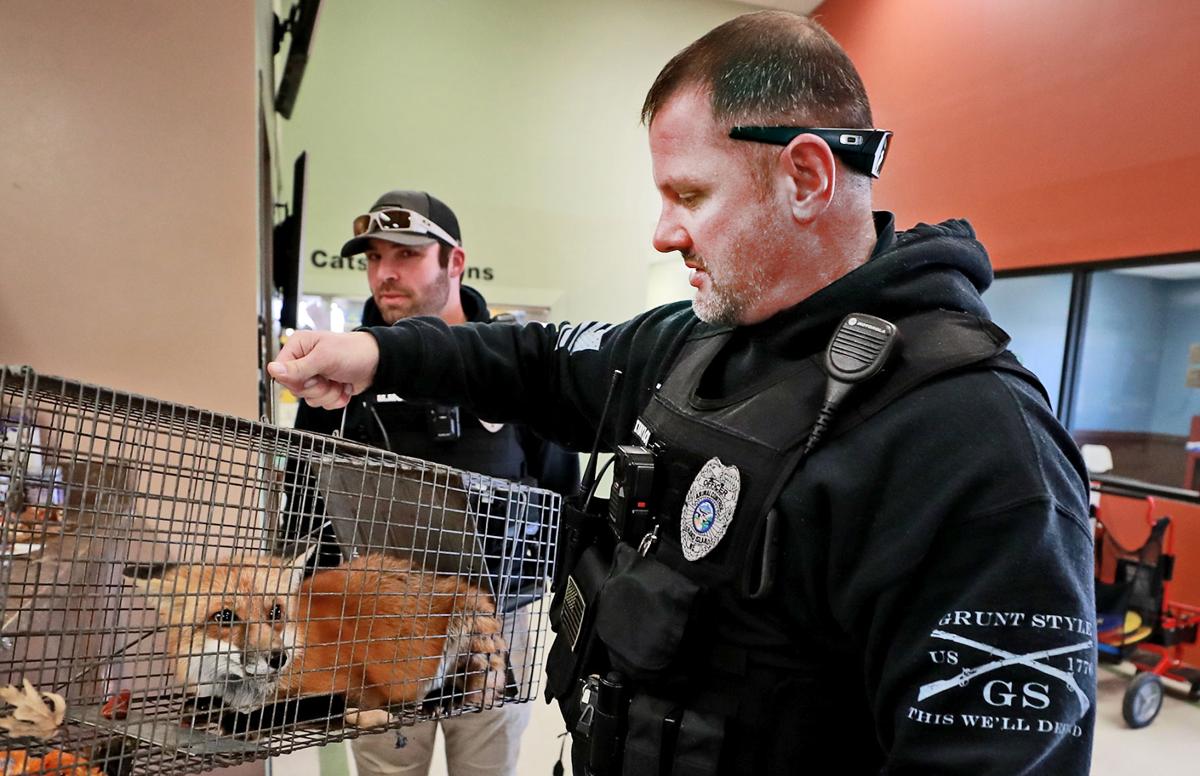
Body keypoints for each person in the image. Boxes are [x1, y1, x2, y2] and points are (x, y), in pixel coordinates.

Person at [268, 12, 1095, 775]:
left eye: (689, 195)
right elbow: (537, 361)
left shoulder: (977, 447)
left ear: (805, 175)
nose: (663, 233)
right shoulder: (698, 343)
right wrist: (375, 352)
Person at [291, 190, 579, 776]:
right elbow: (304, 500)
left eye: (406, 254)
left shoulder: (510, 367)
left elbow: (558, 499)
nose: (384, 273)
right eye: (373, 257)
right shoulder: (336, 370)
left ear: (455, 262)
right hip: (376, 624)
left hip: (495, 621)